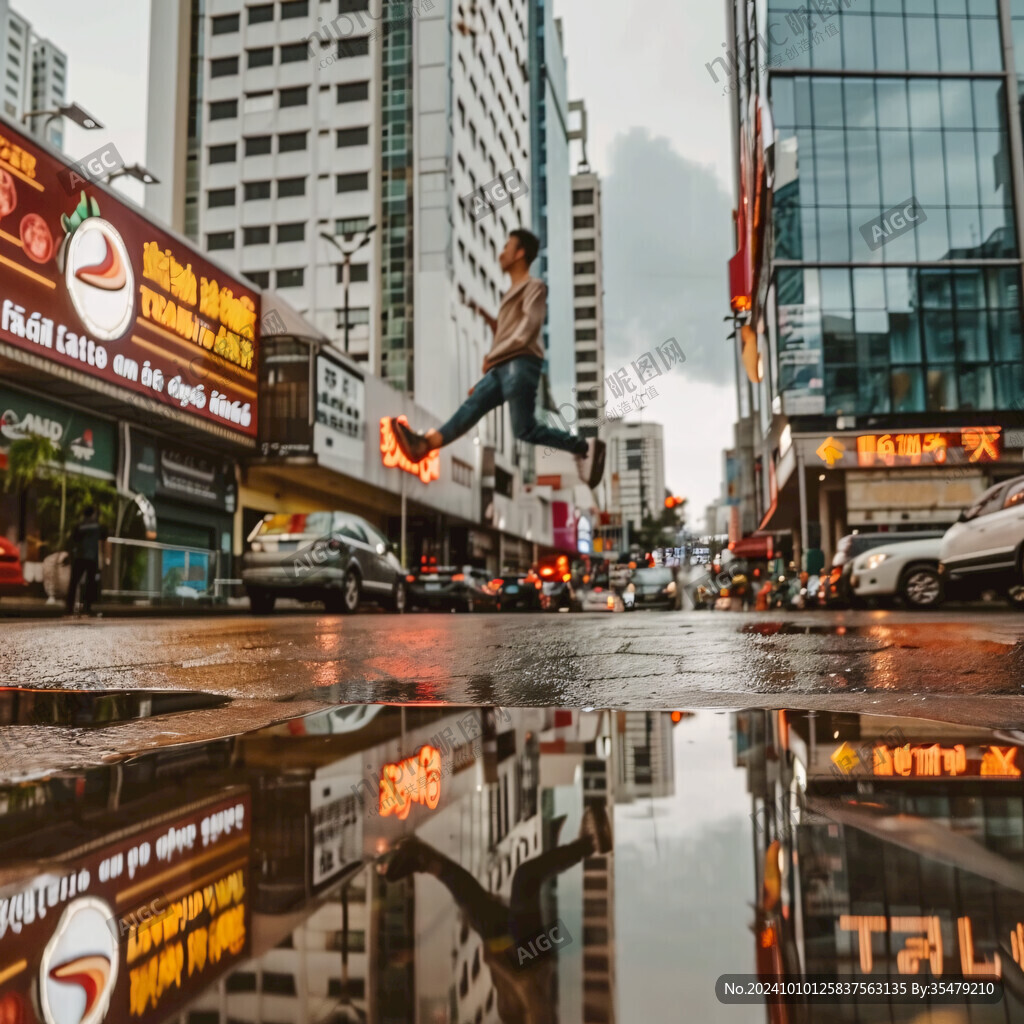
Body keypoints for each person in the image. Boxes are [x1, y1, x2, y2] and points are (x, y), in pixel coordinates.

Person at [386, 229, 606, 489]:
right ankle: (424, 444)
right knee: (470, 409)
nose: (501, 253)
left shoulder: (534, 287)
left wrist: (492, 358)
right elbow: (505, 333)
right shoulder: (510, 294)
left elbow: (528, 329)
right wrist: (487, 366)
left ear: (520, 253)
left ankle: (582, 446)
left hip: (521, 363)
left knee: (524, 428)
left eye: (506, 247)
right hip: (503, 367)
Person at [380, 803, 613, 1024]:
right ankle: (589, 843)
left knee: (478, 907)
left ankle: (423, 859)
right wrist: (498, 963)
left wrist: (495, 958)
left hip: (512, 950)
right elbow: (528, 989)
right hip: (529, 957)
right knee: (523, 881)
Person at [65, 505, 109, 617]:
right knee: (90, 584)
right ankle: (86, 608)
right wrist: (105, 557)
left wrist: (69, 556)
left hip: (79, 557)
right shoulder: (98, 526)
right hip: (91, 558)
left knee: (74, 583)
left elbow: (72, 541)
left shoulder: (79, 525)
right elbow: (105, 538)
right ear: (93, 514)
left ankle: (69, 608)